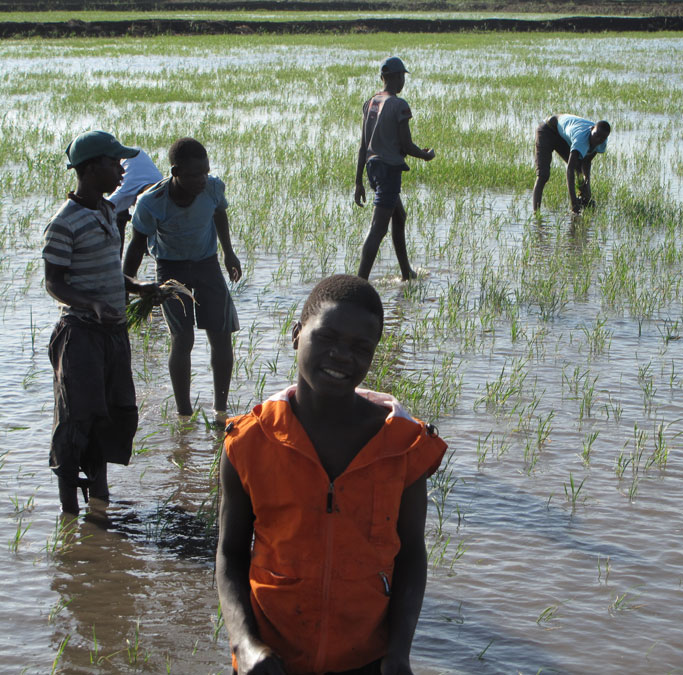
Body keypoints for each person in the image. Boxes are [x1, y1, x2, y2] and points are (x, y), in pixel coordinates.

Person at [216, 274, 447, 675]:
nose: (342, 356)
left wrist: (398, 652)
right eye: (327, 338)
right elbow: (230, 553)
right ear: (296, 335)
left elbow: (410, 555)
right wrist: (245, 644)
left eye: (361, 348)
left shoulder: (404, 446)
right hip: (269, 660)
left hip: (366, 660)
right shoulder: (250, 442)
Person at [42, 130, 161, 515]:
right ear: (91, 169)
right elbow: (54, 282)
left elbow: (111, 271)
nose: (121, 170)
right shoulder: (64, 222)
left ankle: (99, 501)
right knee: (77, 419)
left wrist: (137, 286)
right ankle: (68, 511)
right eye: (115, 164)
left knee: (111, 415)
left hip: (112, 333)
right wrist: (90, 304)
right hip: (80, 334)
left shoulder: (109, 211)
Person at [123, 137, 241, 423]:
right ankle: (184, 412)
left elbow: (219, 214)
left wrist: (229, 253)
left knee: (221, 335)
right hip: (171, 270)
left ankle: (220, 410)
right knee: (182, 338)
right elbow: (137, 245)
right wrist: (126, 284)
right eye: (192, 175)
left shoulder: (213, 188)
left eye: (205, 171)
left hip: (207, 265)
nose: (201, 179)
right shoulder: (152, 202)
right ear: (175, 172)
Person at [355, 56, 435, 281]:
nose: (403, 81)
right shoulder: (399, 105)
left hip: (373, 169)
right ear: (397, 77)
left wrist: (358, 181)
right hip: (389, 171)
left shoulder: (370, 102)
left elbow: (363, 146)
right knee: (377, 229)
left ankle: (406, 273)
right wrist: (426, 155)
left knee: (399, 216)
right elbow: (406, 145)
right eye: (402, 77)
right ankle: (360, 283)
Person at [532, 114, 610, 214]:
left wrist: (586, 180)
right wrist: (573, 203)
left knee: (579, 168)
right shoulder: (580, 139)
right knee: (543, 175)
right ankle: (536, 214)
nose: (597, 140)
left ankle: (584, 200)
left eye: (602, 138)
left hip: (561, 135)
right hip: (547, 130)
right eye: (596, 136)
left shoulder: (602, 141)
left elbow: (586, 162)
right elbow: (570, 169)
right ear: (591, 129)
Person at [107, 149, 164, 252]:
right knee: (118, 217)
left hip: (136, 156)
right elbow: (100, 208)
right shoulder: (124, 191)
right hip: (120, 160)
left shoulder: (162, 189)